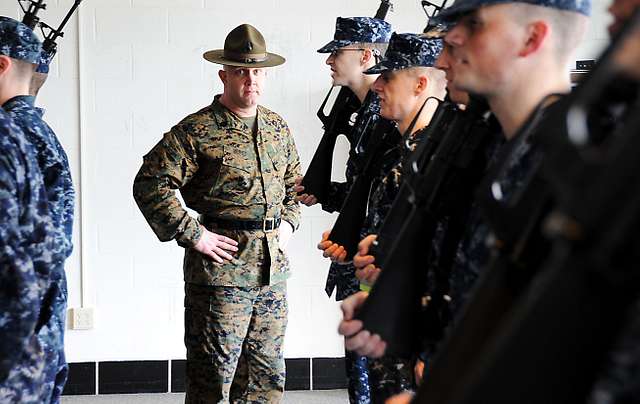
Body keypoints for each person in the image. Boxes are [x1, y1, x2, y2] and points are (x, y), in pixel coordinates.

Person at [339, 0, 590, 398]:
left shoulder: (584, 165)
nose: (446, 50)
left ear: (532, 37)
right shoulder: (484, 144)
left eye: (473, 25)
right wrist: (407, 309)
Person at [133, 24, 301, 403]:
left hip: (272, 272)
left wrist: (289, 223)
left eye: (257, 72)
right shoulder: (196, 130)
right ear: (224, 74)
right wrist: (194, 234)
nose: (250, 80)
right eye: (241, 71)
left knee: (266, 375)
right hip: (220, 276)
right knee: (213, 377)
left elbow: (294, 186)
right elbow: (150, 183)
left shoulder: (276, 127)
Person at [325, 32, 446, 403]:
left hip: (414, 327)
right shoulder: (398, 149)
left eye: (388, 78)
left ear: (420, 84)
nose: (376, 85)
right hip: (384, 316)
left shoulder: (437, 159)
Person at [294, 16, 392, 404]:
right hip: (358, 244)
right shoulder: (360, 108)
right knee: (360, 357)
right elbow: (361, 187)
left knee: (372, 358)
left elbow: (382, 191)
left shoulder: (380, 113)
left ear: (367, 55)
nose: (329, 60)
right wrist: (326, 194)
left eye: (339, 51)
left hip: (372, 248)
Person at [0, 17, 75, 403]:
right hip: (35, 308)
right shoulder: (28, 129)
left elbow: (32, 248)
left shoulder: (14, 132)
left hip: (23, 316)